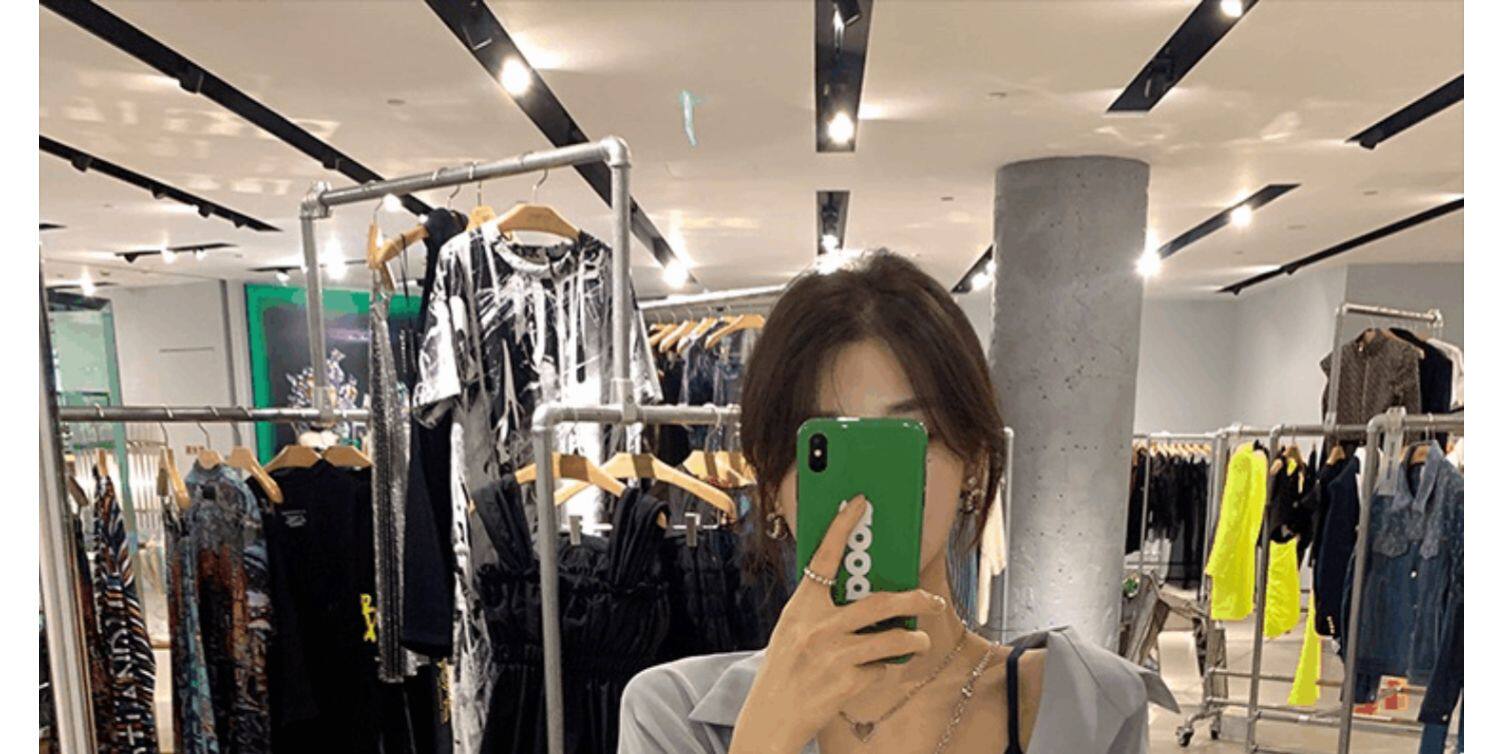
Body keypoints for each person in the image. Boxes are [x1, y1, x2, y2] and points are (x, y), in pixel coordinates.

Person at [619, 251, 1176, 753]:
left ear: (973, 463)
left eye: (907, 440)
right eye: (826, 447)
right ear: (771, 484)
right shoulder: (671, 716)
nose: (864, 496)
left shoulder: (1086, 709)